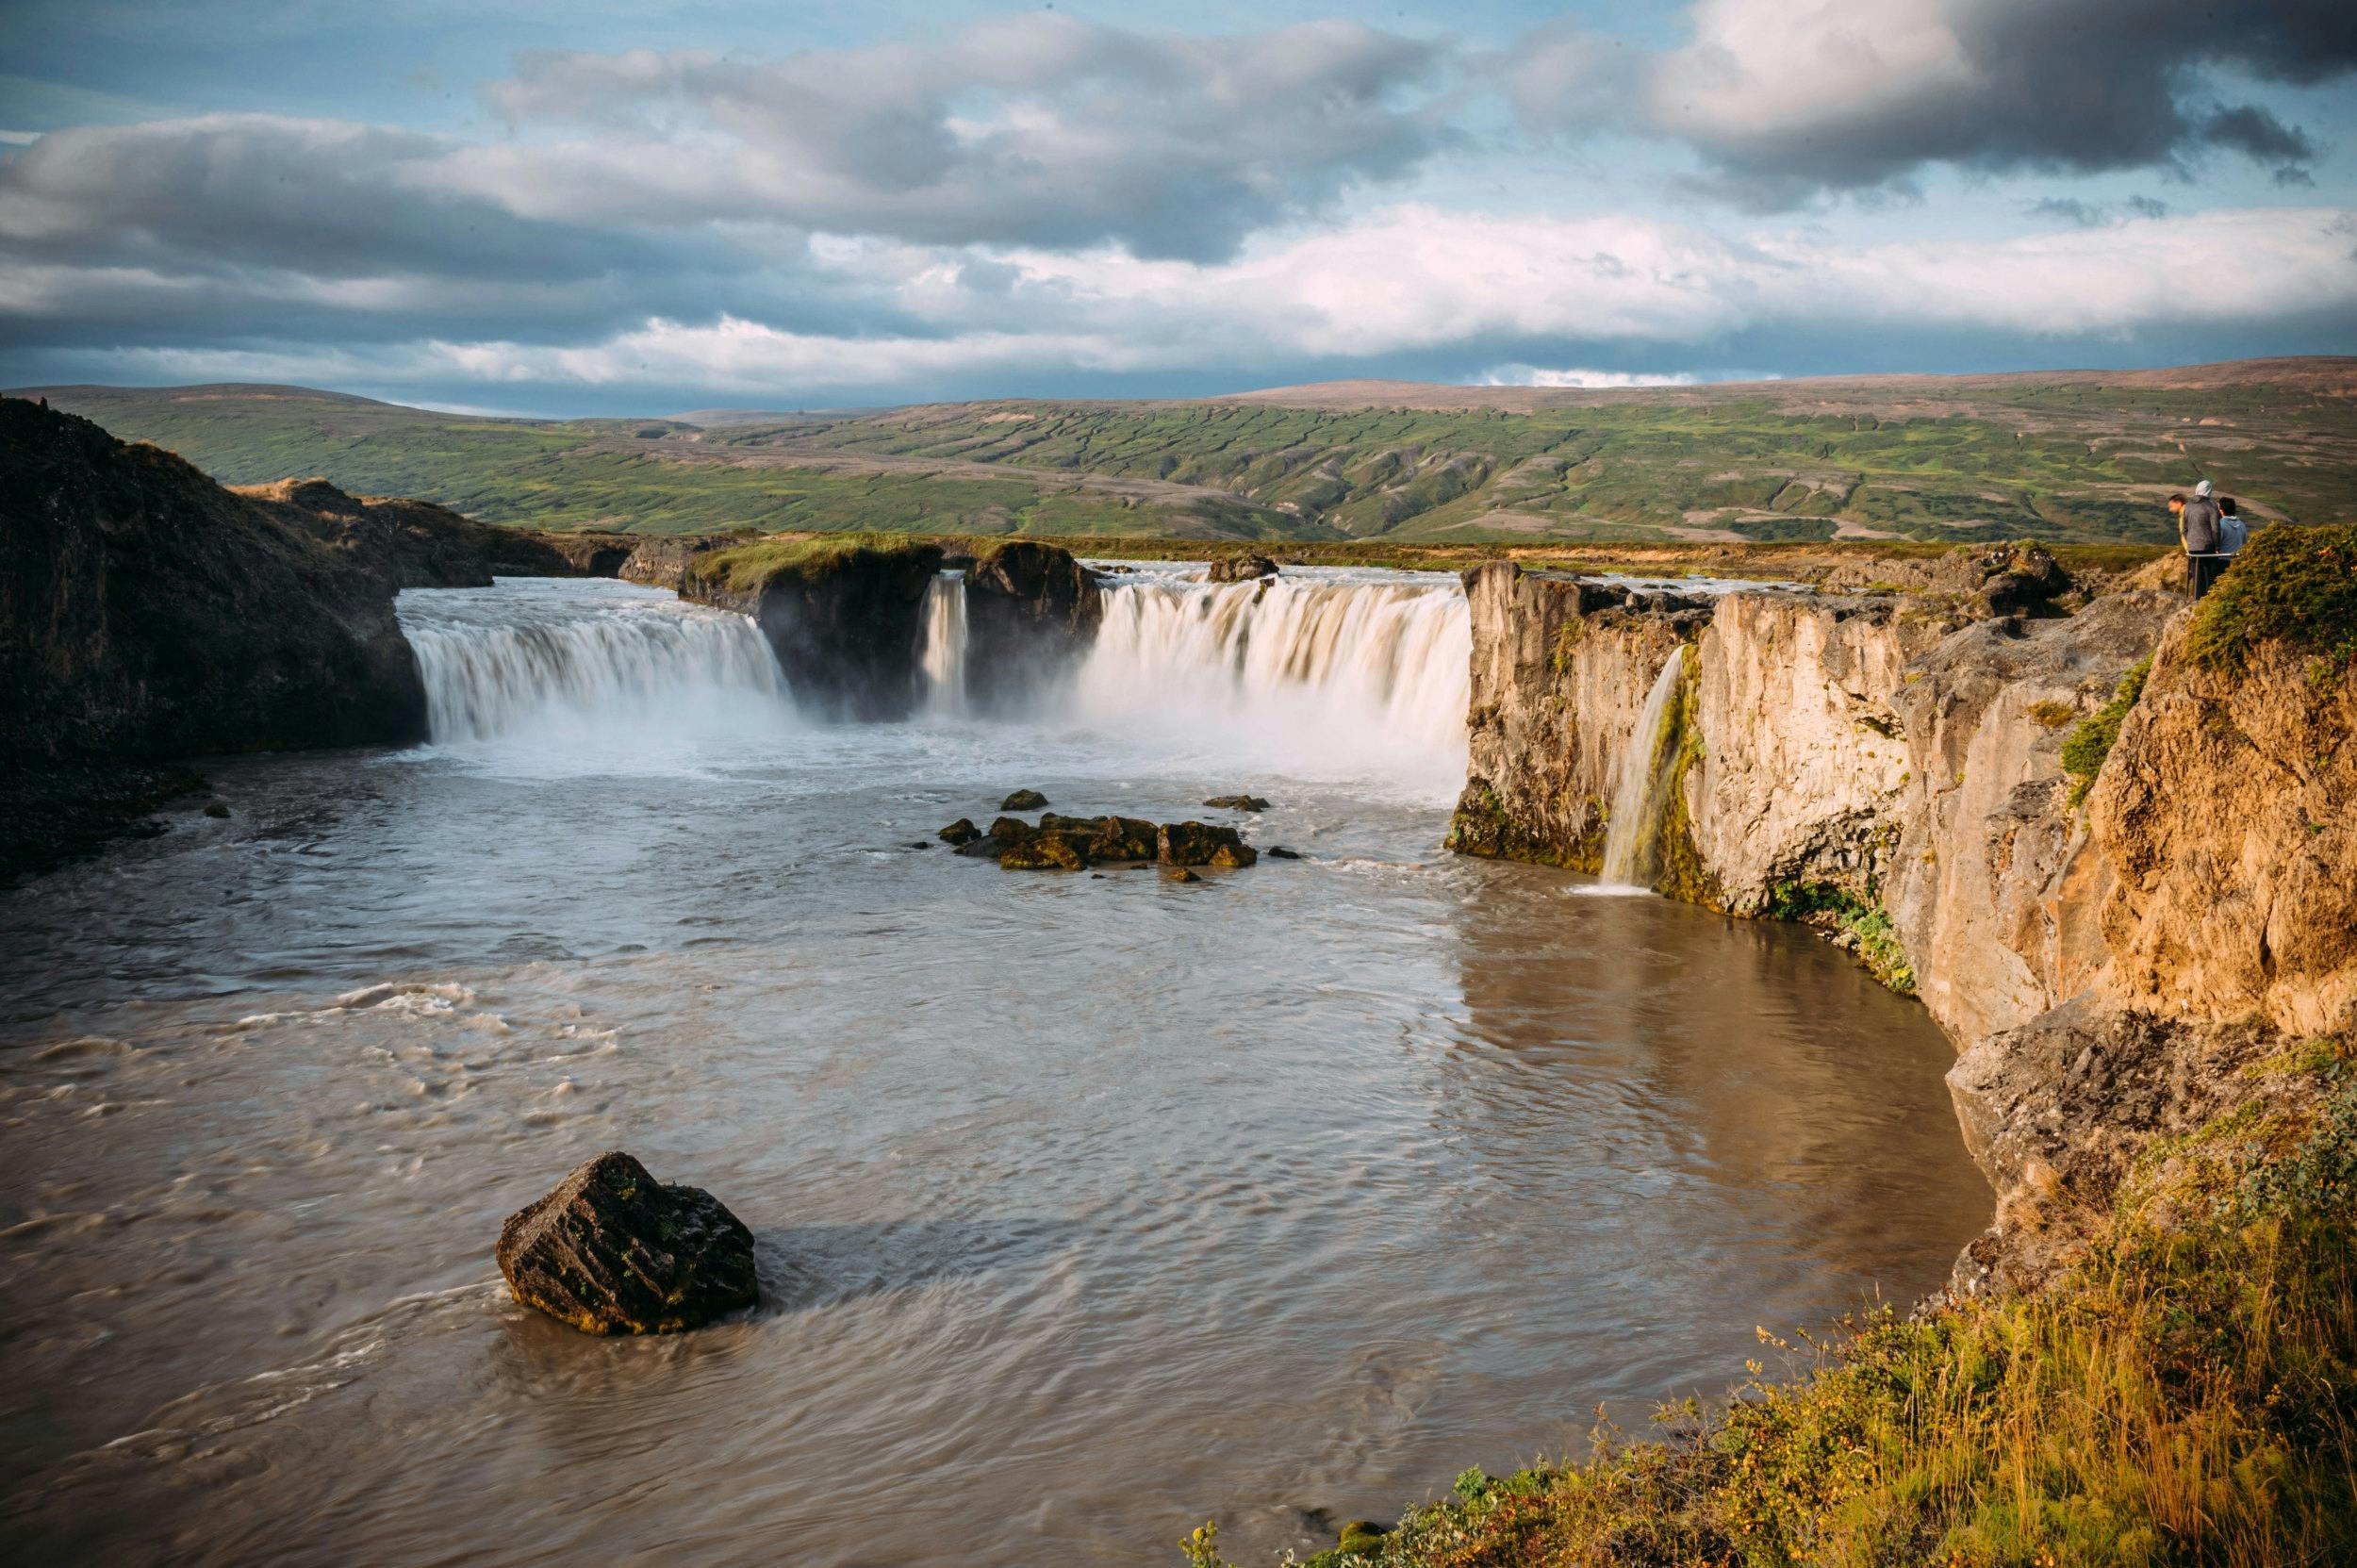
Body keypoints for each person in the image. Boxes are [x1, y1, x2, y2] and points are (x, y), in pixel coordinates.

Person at [2178, 480, 2224, 599]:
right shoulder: (2212, 506)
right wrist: (2217, 546)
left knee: (2197, 577)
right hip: (2208, 547)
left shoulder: (2187, 506)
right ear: (2209, 491)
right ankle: (2208, 604)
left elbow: (2184, 529)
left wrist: (2191, 541)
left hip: (2192, 548)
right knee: (2210, 577)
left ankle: (2196, 601)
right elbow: (2215, 529)